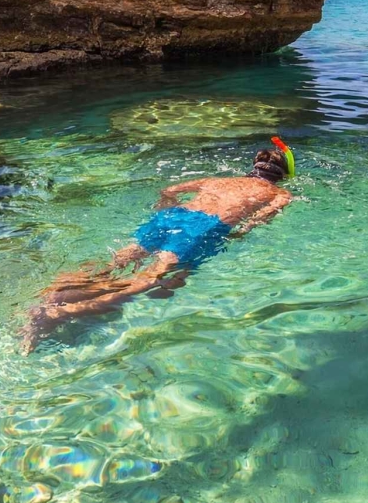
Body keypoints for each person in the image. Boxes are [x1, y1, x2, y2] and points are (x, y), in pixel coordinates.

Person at [22, 141, 296, 352]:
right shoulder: (280, 194)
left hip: (172, 216)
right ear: (282, 175)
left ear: (255, 166)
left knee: (113, 263)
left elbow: (170, 190)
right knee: (148, 281)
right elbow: (255, 222)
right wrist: (237, 235)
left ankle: (50, 296)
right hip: (202, 228)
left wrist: (165, 210)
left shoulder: (217, 180)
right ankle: (57, 314)